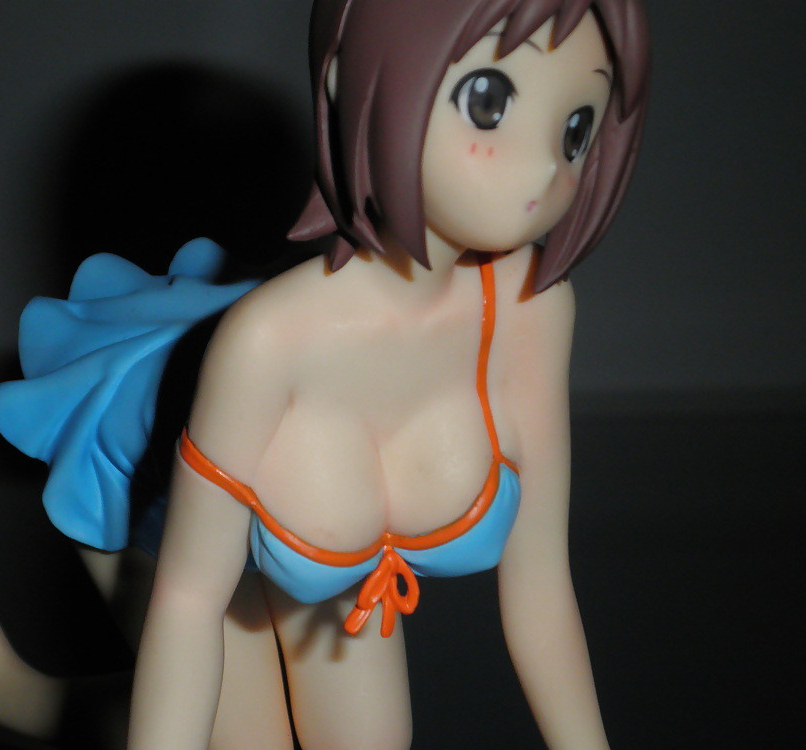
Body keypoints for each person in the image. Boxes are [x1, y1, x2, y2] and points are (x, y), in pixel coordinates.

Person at [126, 1, 650, 748]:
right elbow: (187, 602)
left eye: (575, 129)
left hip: (338, 594)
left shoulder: (532, 312)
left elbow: (538, 584)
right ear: (350, 82)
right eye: (489, 101)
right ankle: (26, 692)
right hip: (180, 552)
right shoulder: (269, 342)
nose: (543, 167)